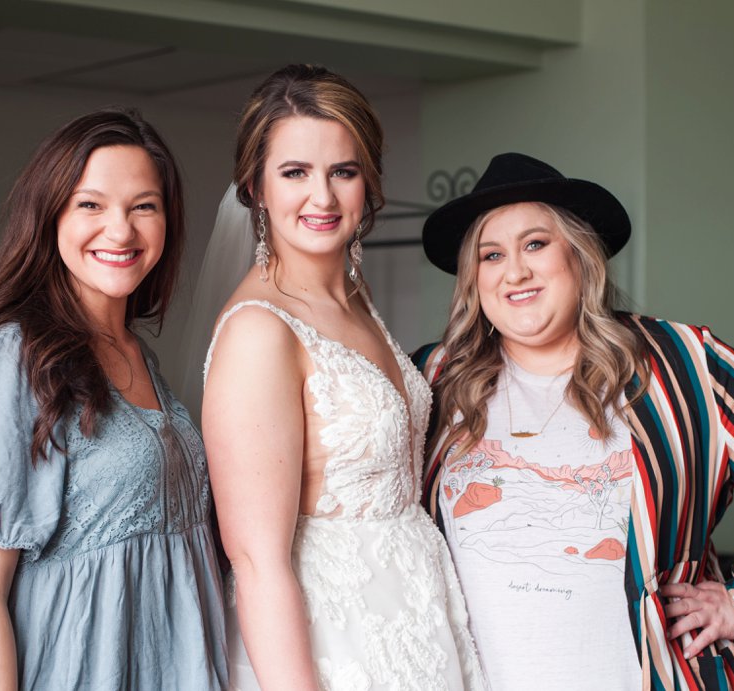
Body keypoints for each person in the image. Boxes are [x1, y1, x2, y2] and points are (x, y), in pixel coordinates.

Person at [415, 152, 734, 690]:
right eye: (491, 255)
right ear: (473, 277)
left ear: (580, 255)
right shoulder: (436, 376)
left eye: (535, 244)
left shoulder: (681, 362)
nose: (515, 272)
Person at [201, 64, 484, 690]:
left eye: (343, 172)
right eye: (295, 172)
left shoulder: (353, 301)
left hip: (415, 614)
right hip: (329, 636)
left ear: (370, 183)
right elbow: (255, 559)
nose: (322, 198)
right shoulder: (259, 330)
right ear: (256, 187)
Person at [0, 108, 227, 690]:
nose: (120, 231)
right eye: (90, 205)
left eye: (144, 206)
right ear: (50, 218)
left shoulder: (142, 357)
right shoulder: (15, 358)